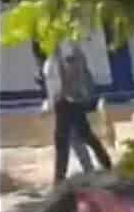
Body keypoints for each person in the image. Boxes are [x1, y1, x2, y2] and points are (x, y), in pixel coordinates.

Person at [45, 41, 112, 185]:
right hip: (70, 102)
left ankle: (59, 180)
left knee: (64, 141)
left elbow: (62, 81)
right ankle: (105, 164)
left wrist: (57, 97)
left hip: (66, 102)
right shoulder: (62, 58)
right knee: (84, 136)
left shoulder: (60, 59)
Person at [32, 43, 94, 175]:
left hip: (64, 104)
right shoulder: (49, 66)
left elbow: (55, 88)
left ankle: (69, 175)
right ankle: (87, 170)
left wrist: (49, 105)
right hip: (65, 103)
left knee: (69, 141)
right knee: (73, 140)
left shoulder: (51, 66)